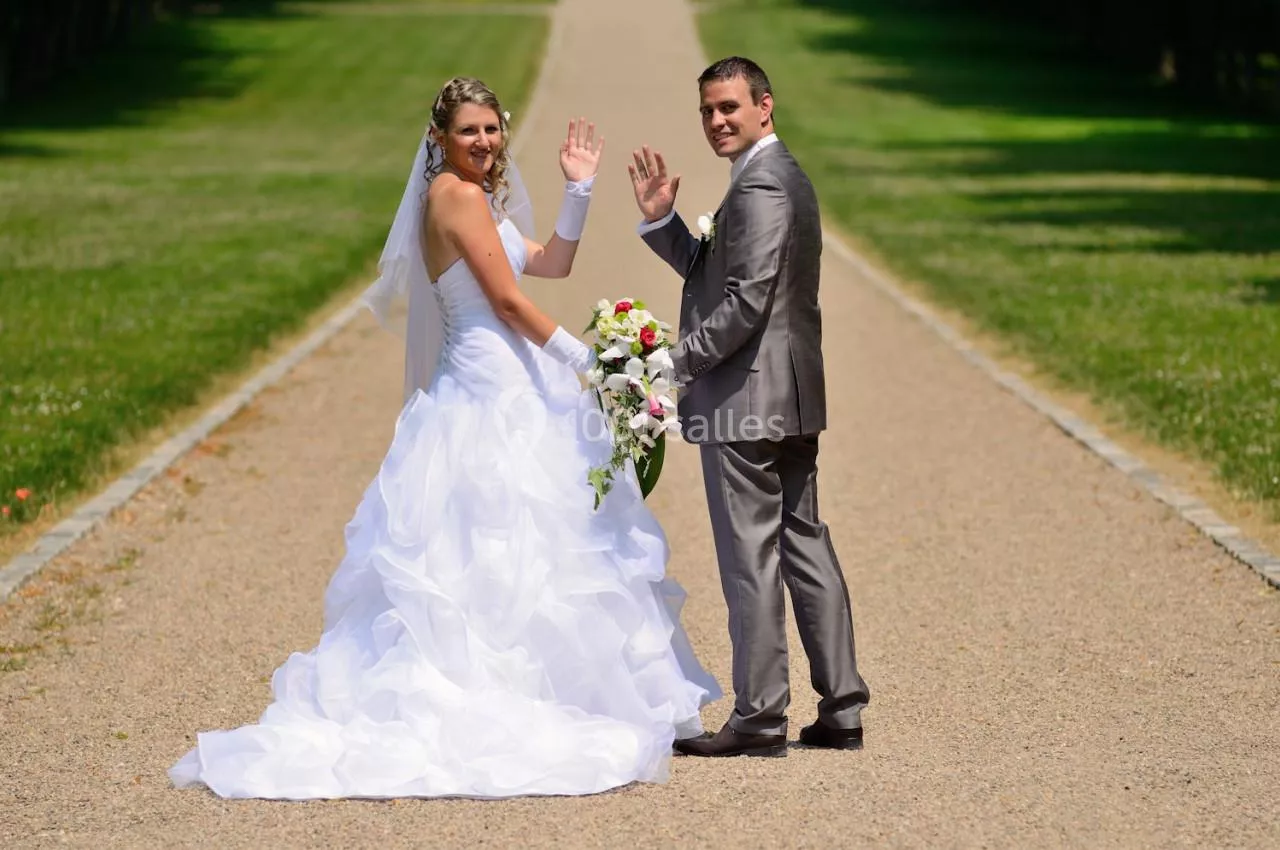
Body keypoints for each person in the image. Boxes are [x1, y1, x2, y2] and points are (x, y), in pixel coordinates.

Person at [170, 76, 718, 800]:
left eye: (491, 129)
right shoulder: (452, 198)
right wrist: (589, 363)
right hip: (488, 386)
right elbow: (509, 303)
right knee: (499, 538)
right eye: (468, 131)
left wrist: (578, 188)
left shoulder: (480, 199)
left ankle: (560, 689)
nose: (484, 142)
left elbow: (551, 263)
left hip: (512, 378)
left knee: (537, 541)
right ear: (439, 138)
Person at [630, 57, 870, 757]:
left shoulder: (761, 183)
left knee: (751, 559)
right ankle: (842, 708)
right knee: (803, 544)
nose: (716, 120)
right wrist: (664, 222)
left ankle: (761, 717)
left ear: (765, 105)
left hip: (746, 403)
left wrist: (671, 366)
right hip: (788, 398)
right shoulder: (781, 174)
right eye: (707, 110)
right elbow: (724, 276)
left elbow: (745, 303)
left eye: (729, 107)